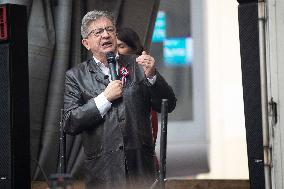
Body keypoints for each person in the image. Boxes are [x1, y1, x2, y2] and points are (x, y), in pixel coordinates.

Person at [63, 10, 176, 189]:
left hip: (141, 171)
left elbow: (168, 105)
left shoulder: (138, 64)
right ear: (86, 43)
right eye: (98, 32)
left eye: (109, 29)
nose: (106, 35)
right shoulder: (76, 76)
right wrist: (105, 98)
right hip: (103, 174)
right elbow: (70, 122)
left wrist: (153, 76)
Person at [116, 27, 159, 146]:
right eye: (114, 47)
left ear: (134, 49)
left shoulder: (143, 72)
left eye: (121, 46)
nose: (116, 52)